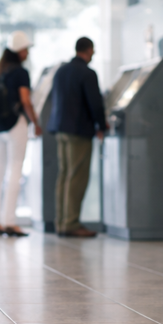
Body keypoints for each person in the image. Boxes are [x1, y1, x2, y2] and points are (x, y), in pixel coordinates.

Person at [47, 37, 108, 238]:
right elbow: (95, 103)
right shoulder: (87, 73)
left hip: (60, 129)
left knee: (64, 175)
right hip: (78, 130)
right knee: (77, 176)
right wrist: (101, 124)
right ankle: (71, 224)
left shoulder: (61, 71)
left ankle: (62, 221)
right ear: (89, 50)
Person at [0, 30, 43, 237]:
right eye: (26, 49)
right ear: (19, 51)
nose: (28, 53)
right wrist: (35, 123)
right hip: (15, 124)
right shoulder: (20, 72)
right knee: (16, 169)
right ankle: (10, 221)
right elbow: (26, 100)